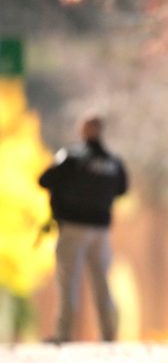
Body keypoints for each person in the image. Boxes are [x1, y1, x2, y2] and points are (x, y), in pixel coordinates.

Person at [39, 115, 128, 342]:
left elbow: (44, 179)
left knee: (68, 282)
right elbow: (122, 189)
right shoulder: (113, 162)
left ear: (84, 131)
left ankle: (64, 333)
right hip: (101, 229)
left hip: (73, 227)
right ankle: (109, 333)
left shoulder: (71, 158)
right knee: (103, 282)